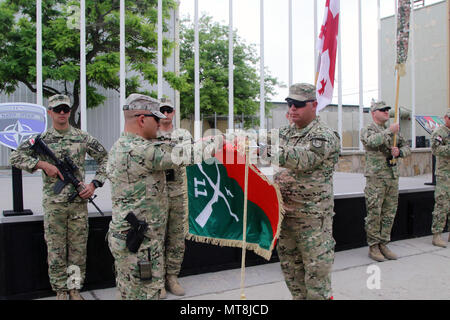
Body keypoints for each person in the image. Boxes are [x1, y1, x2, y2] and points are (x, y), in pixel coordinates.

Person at [9, 94, 108, 300]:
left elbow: (106, 159)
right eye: (57, 109)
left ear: (70, 112)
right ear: (50, 112)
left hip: (78, 204)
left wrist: (94, 183)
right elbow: (15, 156)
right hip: (54, 205)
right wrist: (42, 165)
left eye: (65, 109)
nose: (62, 113)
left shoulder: (83, 137)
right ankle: (60, 291)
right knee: (55, 250)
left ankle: (74, 289)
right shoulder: (41, 140)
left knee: (78, 251)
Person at [271, 83, 341, 300]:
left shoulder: (324, 135)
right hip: (286, 215)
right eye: (290, 104)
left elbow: (305, 159)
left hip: (313, 220)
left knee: (316, 278)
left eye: (299, 104)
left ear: (314, 105)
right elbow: (260, 151)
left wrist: (267, 150)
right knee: (292, 274)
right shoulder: (283, 132)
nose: (293, 109)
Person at [360, 100, 411, 262]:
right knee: (375, 212)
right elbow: (371, 142)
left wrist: (399, 152)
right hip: (376, 178)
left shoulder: (394, 132)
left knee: (389, 212)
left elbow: (407, 148)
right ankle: (373, 246)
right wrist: (389, 130)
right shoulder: (368, 129)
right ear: (373, 113)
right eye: (382, 110)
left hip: (392, 177)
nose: (386, 112)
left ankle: (384, 243)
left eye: (387, 110)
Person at [157, 98, 187, 298]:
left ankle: (172, 277)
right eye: (161, 110)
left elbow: (190, 157)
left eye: (168, 110)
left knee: (176, 239)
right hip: (156, 194)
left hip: (178, 194)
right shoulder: (150, 134)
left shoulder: (183, 135)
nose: (165, 114)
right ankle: (157, 281)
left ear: (174, 112)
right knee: (156, 239)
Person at [430, 108, 450, 248]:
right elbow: (435, 149)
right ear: (445, 118)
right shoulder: (439, 132)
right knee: (442, 204)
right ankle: (437, 235)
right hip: (444, 174)